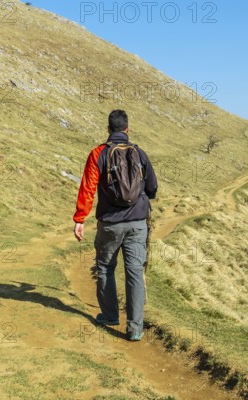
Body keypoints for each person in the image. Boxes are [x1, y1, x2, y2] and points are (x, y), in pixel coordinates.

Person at [73, 110, 158, 341]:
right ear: (128, 129)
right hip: (137, 223)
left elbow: (88, 188)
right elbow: (152, 188)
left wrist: (80, 219)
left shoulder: (98, 153)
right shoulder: (139, 153)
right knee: (134, 272)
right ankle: (135, 328)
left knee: (105, 269)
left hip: (109, 223)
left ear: (108, 129)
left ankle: (110, 316)